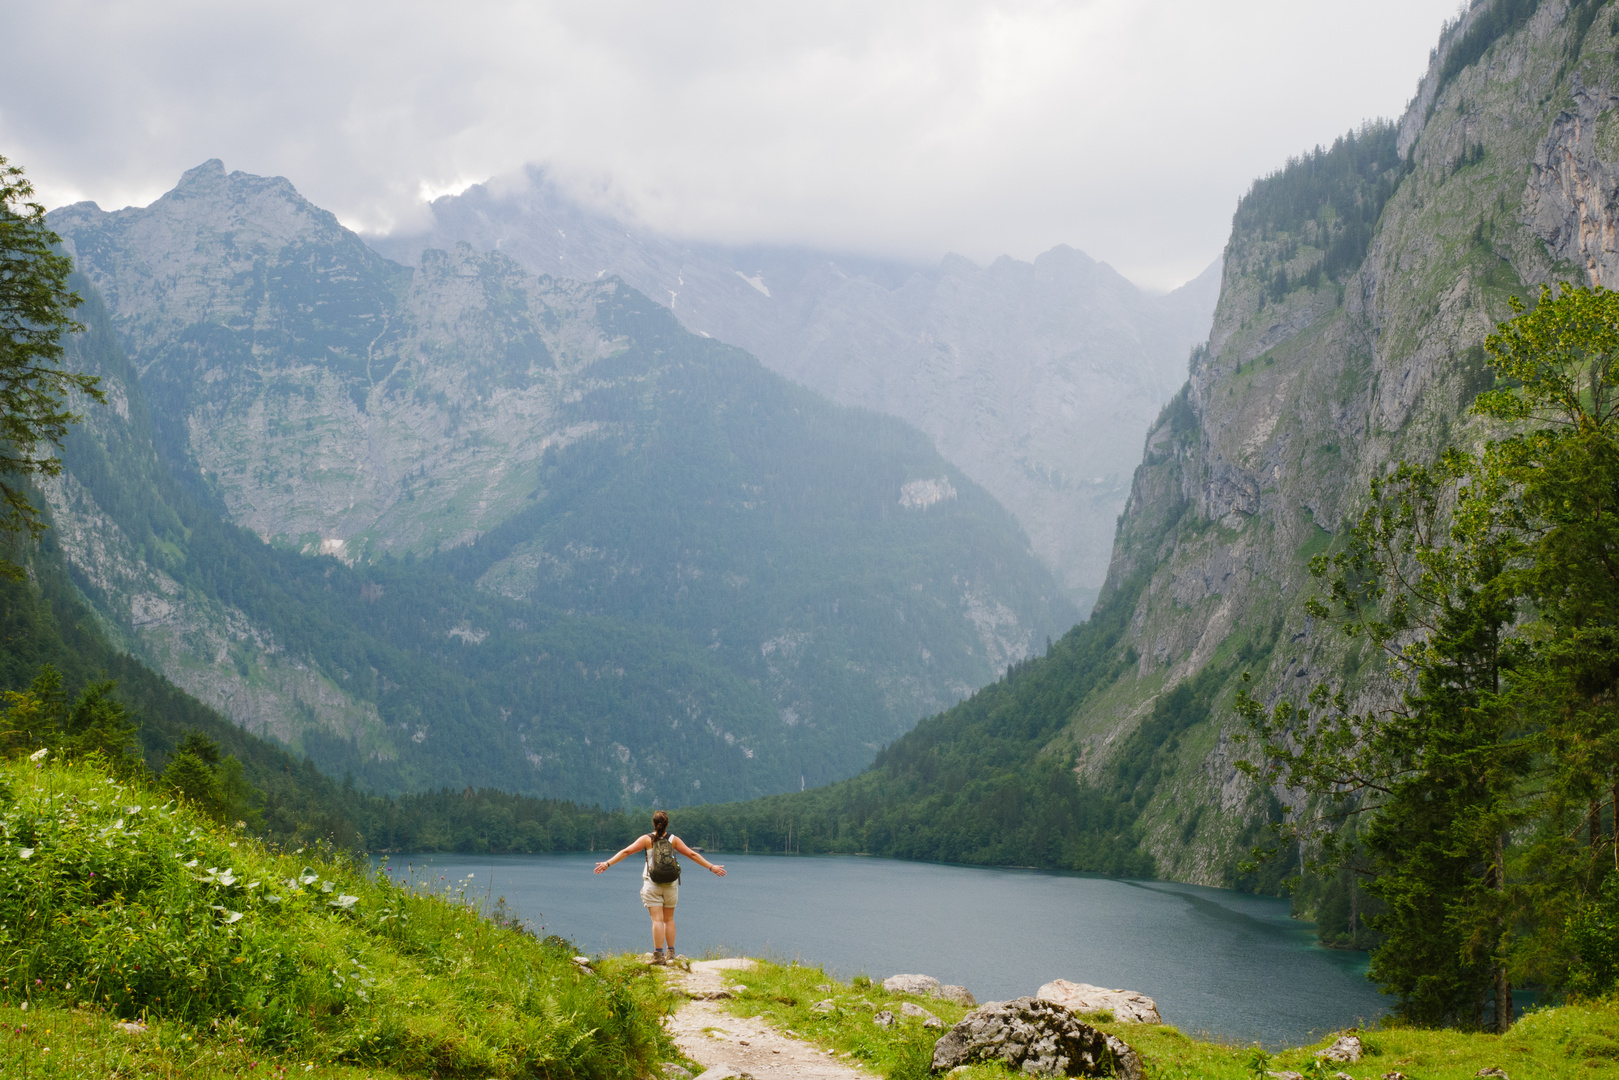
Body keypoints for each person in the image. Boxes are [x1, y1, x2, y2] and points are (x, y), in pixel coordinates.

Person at [594, 810, 725, 964]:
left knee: (657, 920)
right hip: (670, 885)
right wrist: (711, 867)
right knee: (669, 920)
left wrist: (607, 863)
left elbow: (627, 851)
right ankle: (671, 954)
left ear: (653, 824)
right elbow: (692, 854)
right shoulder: (673, 840)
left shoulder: (646, 839)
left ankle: (658, 956)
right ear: (666, 823)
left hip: (652, 884)